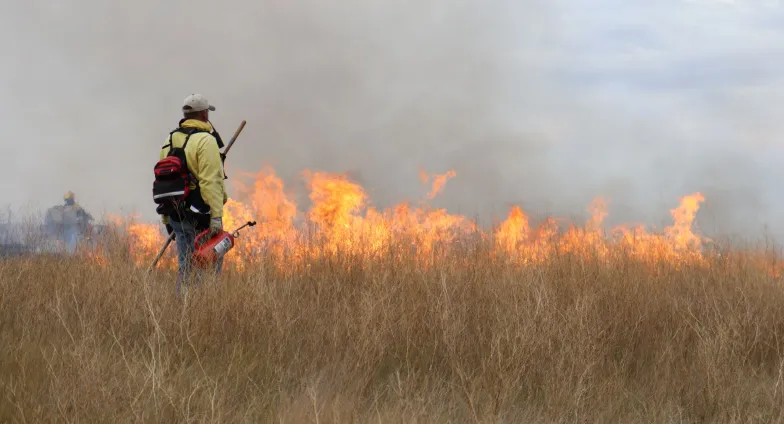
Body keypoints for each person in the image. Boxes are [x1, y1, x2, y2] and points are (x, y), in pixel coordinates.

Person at [159, 93, 228, 295]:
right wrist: (216, 217)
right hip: (201, 215)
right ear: (205, 114)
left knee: (186, 266)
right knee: (208, 265)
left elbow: (162, 182)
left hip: (175, 214)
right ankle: (204, 309)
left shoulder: (169, 140)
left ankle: (184, 309)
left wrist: (166, 219)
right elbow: (211, 182)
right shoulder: (206, 141)